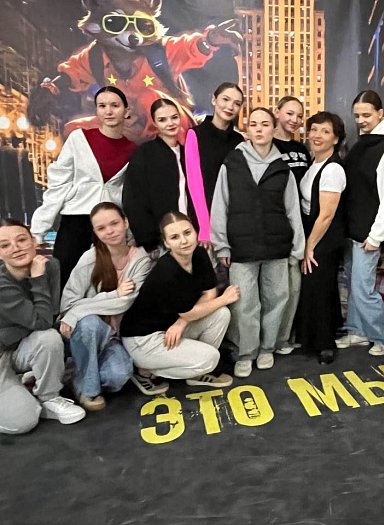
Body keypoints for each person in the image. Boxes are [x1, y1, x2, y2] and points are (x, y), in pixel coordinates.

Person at [211, 108, 305, 378]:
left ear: (274, 129)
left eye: (265, 124)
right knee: (245, 304)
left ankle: (267, 348)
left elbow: (293, 210)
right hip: (241, 247)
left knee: (277, 299)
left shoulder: (282, 168)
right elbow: (220, 205)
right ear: (247, 129)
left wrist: (297, 248)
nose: (260, 129)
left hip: (277, 246)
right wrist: (221, 245)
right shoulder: (232, 164)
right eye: (254, 124)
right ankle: (246, 352)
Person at [30, 86, 137, 288]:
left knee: (106, 284)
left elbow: (130, 195)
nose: (108, 111)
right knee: (65, 281)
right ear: (96, 110)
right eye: (102, 106)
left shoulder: (133, 149)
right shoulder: (79, 138)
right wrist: (39, 228)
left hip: (110, 226)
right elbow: (58, 183)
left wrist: (129, 232)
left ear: (126, 110)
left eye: (115, 105)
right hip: (76, 221)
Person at [120, 212, 237, 391]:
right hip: (143, 339)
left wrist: (182, 322)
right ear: (167, 243)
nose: (184, 241)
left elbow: (209, 292)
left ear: (195, 232)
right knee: (212, 358)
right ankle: (144, 371)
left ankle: (195, 371)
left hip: (170, 326)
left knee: (221, 314)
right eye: (175, 237)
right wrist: (225, 299)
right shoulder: (166, 270)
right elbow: (191, 312)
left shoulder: (199, 254)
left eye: (187, 233)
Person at [59, 203, 154, 411]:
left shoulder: (140, 259)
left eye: (114, 223)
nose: (109, 231)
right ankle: (88, 390)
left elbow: (126, 300)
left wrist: (80, 309)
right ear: (95, 232)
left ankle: (77, 372)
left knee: (118, 376)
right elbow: (68, 305)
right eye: (101, 228)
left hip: (114, 336)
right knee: (91, 323)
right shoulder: (90, 258)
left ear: (125, 222)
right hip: (86, 332)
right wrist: (113, 295)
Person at [0, 218, 85, 434]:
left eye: (21, 240)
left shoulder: (50, 266)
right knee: (23, 422)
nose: (16, 248)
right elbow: (42, 321)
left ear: (33, 241)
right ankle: (17, 388)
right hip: (3, 354)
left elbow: (50, 317)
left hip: (20, 346)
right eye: (5, 245)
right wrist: (37, 279)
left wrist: (22, 328)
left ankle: (49, 397)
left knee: (49, 338)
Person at [336, 90, 384, 356]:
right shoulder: (361, 144)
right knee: (355, 285)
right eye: (357, 115)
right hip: (353, 230)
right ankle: (357, 331)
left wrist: (376, 235)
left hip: (368, 234)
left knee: (364, 289)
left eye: (366, 115)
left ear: (380, 113)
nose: (361, 120)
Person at [296, 111, 347, 364]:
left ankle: (326, 344)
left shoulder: (333, 169)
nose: (317, 135)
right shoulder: (314, 162)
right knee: (316, 288)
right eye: (314, 129)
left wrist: (310, 246)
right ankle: (313, 338)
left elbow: (326, 215)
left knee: (321, 289)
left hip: (323, 238)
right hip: (313, 233)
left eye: (325, 131)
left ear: (335, 138)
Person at [123, 99, 199, 252]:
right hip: (159, 241)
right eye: (162, 120)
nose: (170, 123)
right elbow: (134, 200)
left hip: (190, 234)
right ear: (154, 123)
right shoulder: (144, 154)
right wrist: (149, 240)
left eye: (174, 117)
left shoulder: (187, 153)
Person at [272, 96, 311, 355]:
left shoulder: (302, 149)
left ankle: (287, 335)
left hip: (301, 225)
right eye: (289, 113)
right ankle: (272, 339)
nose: (294, 120)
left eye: (299, 116)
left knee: (296, 285)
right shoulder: (266, 145)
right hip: (277, 224)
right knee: (276, 288)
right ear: (277, 112)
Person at [184, 82, 245, 245]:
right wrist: (205, 227)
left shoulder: (239, 140)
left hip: (233, 222)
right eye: (225, 99)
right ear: (214, 99)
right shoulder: (195, 135)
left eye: (237, 103)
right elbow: (195, 184)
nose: (230, 106)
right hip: (203, 223)